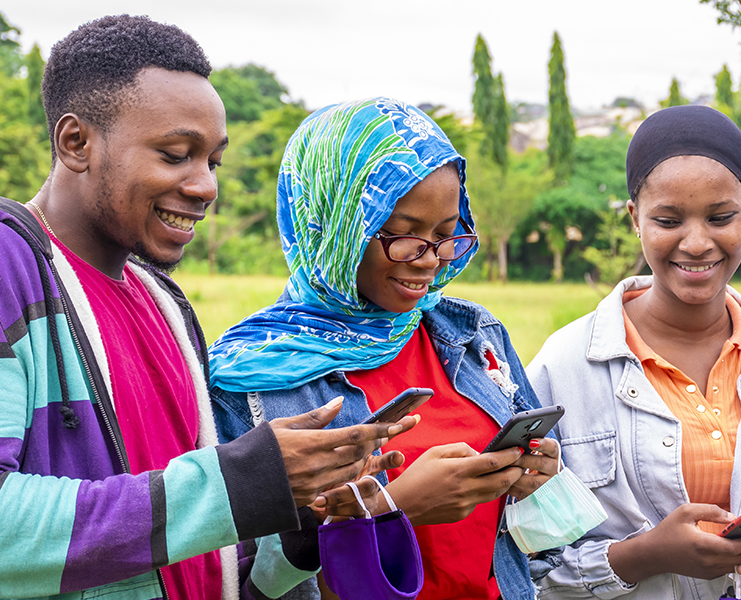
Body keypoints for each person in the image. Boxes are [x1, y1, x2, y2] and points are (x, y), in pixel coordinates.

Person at [0, 15, 413, 600]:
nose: (205, 185)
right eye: (176, 154)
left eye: (212, 161)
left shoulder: (165, 304)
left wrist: (299, 524)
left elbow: (197, 557)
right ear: (76, 143)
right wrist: (238, 482)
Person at [207, 97, 561, 600]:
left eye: (445, 235)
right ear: (334, 224)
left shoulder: (472, 333)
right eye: (403, 234)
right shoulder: (248, 379)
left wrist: (534, 473)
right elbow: (238, 584)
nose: (429, 261)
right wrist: (390, 508)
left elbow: (535, 537)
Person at [526, 105, 741, 599]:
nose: (697, 243)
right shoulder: (562, 368)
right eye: (668, 220)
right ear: (635, 218)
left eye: (721, 217)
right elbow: (525, 570)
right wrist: (646, 554)